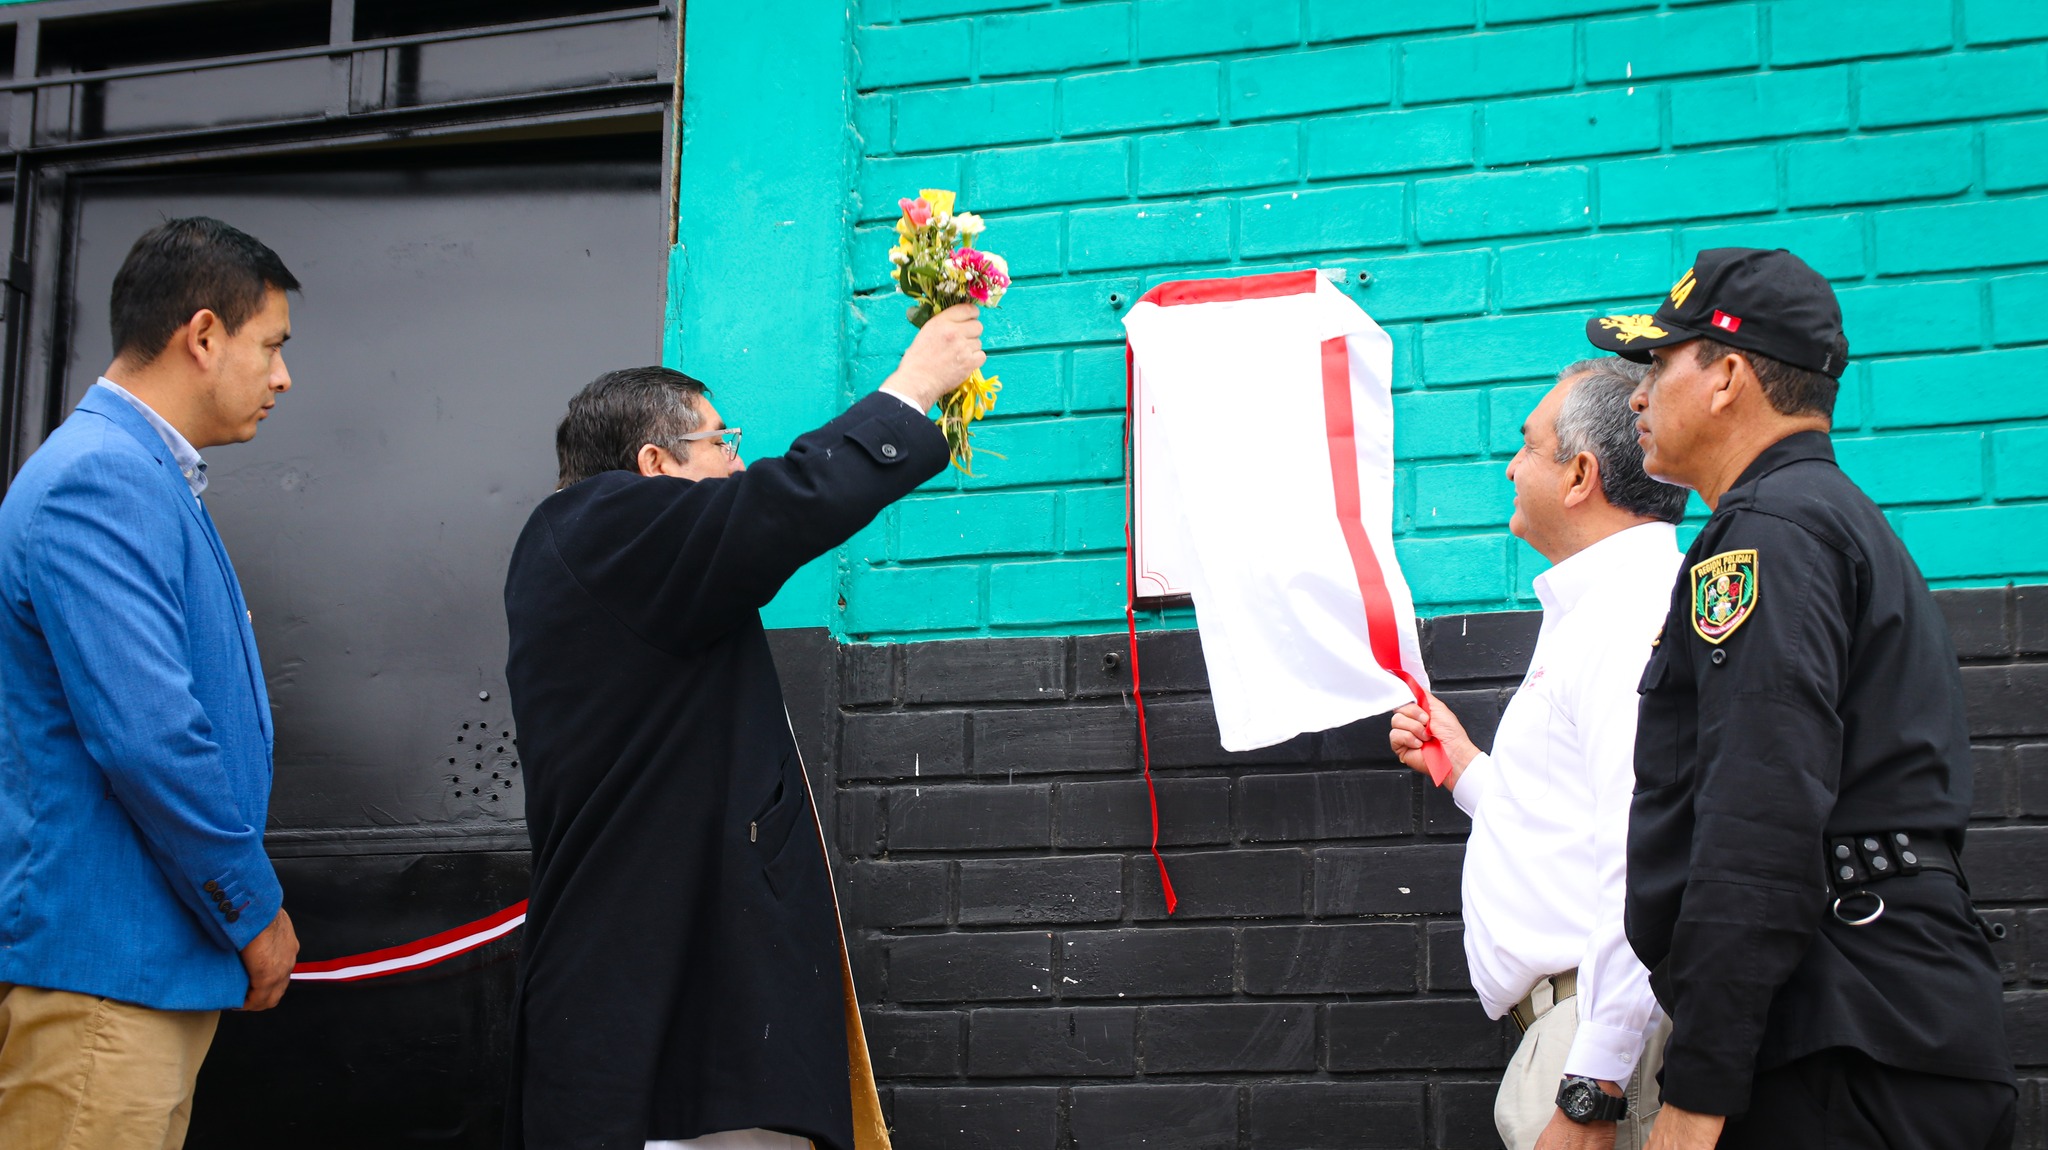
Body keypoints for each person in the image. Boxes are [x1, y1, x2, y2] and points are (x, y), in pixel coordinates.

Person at [501, 305, 985, 1150]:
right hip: (673, 1020)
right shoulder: (600, 523)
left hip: (675, 1005)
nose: (738, 462)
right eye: (723, 442)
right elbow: (777, 506)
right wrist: (909, 391)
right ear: (653, 463)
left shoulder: (617, 560)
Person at [1585, 248, 2017, 1150]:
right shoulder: (1829, 520)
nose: (1636, 396)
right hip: (1883, 1022)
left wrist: (1698, 1091)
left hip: (1840, 1048)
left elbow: (1760, 812)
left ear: (1727, 378)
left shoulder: (1768, 536)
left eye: (1660, 364)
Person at [0, 217, 303, 1148]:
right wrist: (252, 909)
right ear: (203, 336)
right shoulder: (100, 478)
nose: (283, 377)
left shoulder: (138, 474)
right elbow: (148, 732)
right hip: (108, 983)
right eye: (273, 346)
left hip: (138, 976)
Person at [1392, 358, 1687, 1150]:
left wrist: (1593, 1086)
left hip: (1594, 1034)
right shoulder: (1597, 608)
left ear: (1580, 474)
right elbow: (1582, 818)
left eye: (1527, 446)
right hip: (1580, 1030)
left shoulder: (1627, 620)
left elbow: (1643, 859)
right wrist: (1464, 770)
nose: (1511, 467)